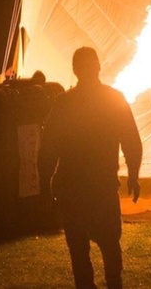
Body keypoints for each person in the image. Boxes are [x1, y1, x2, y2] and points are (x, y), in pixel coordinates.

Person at [38, 47, 143, 289]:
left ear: (75, 70)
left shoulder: (64, 103)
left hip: (73, 189)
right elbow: (131, 142)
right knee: (109, 245)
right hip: (101, 188)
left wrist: (46, 186)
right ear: (98, 66)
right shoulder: (114, 99)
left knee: (79, 251)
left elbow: (47, 150)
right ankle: (114, 284)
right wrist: (133, 176)